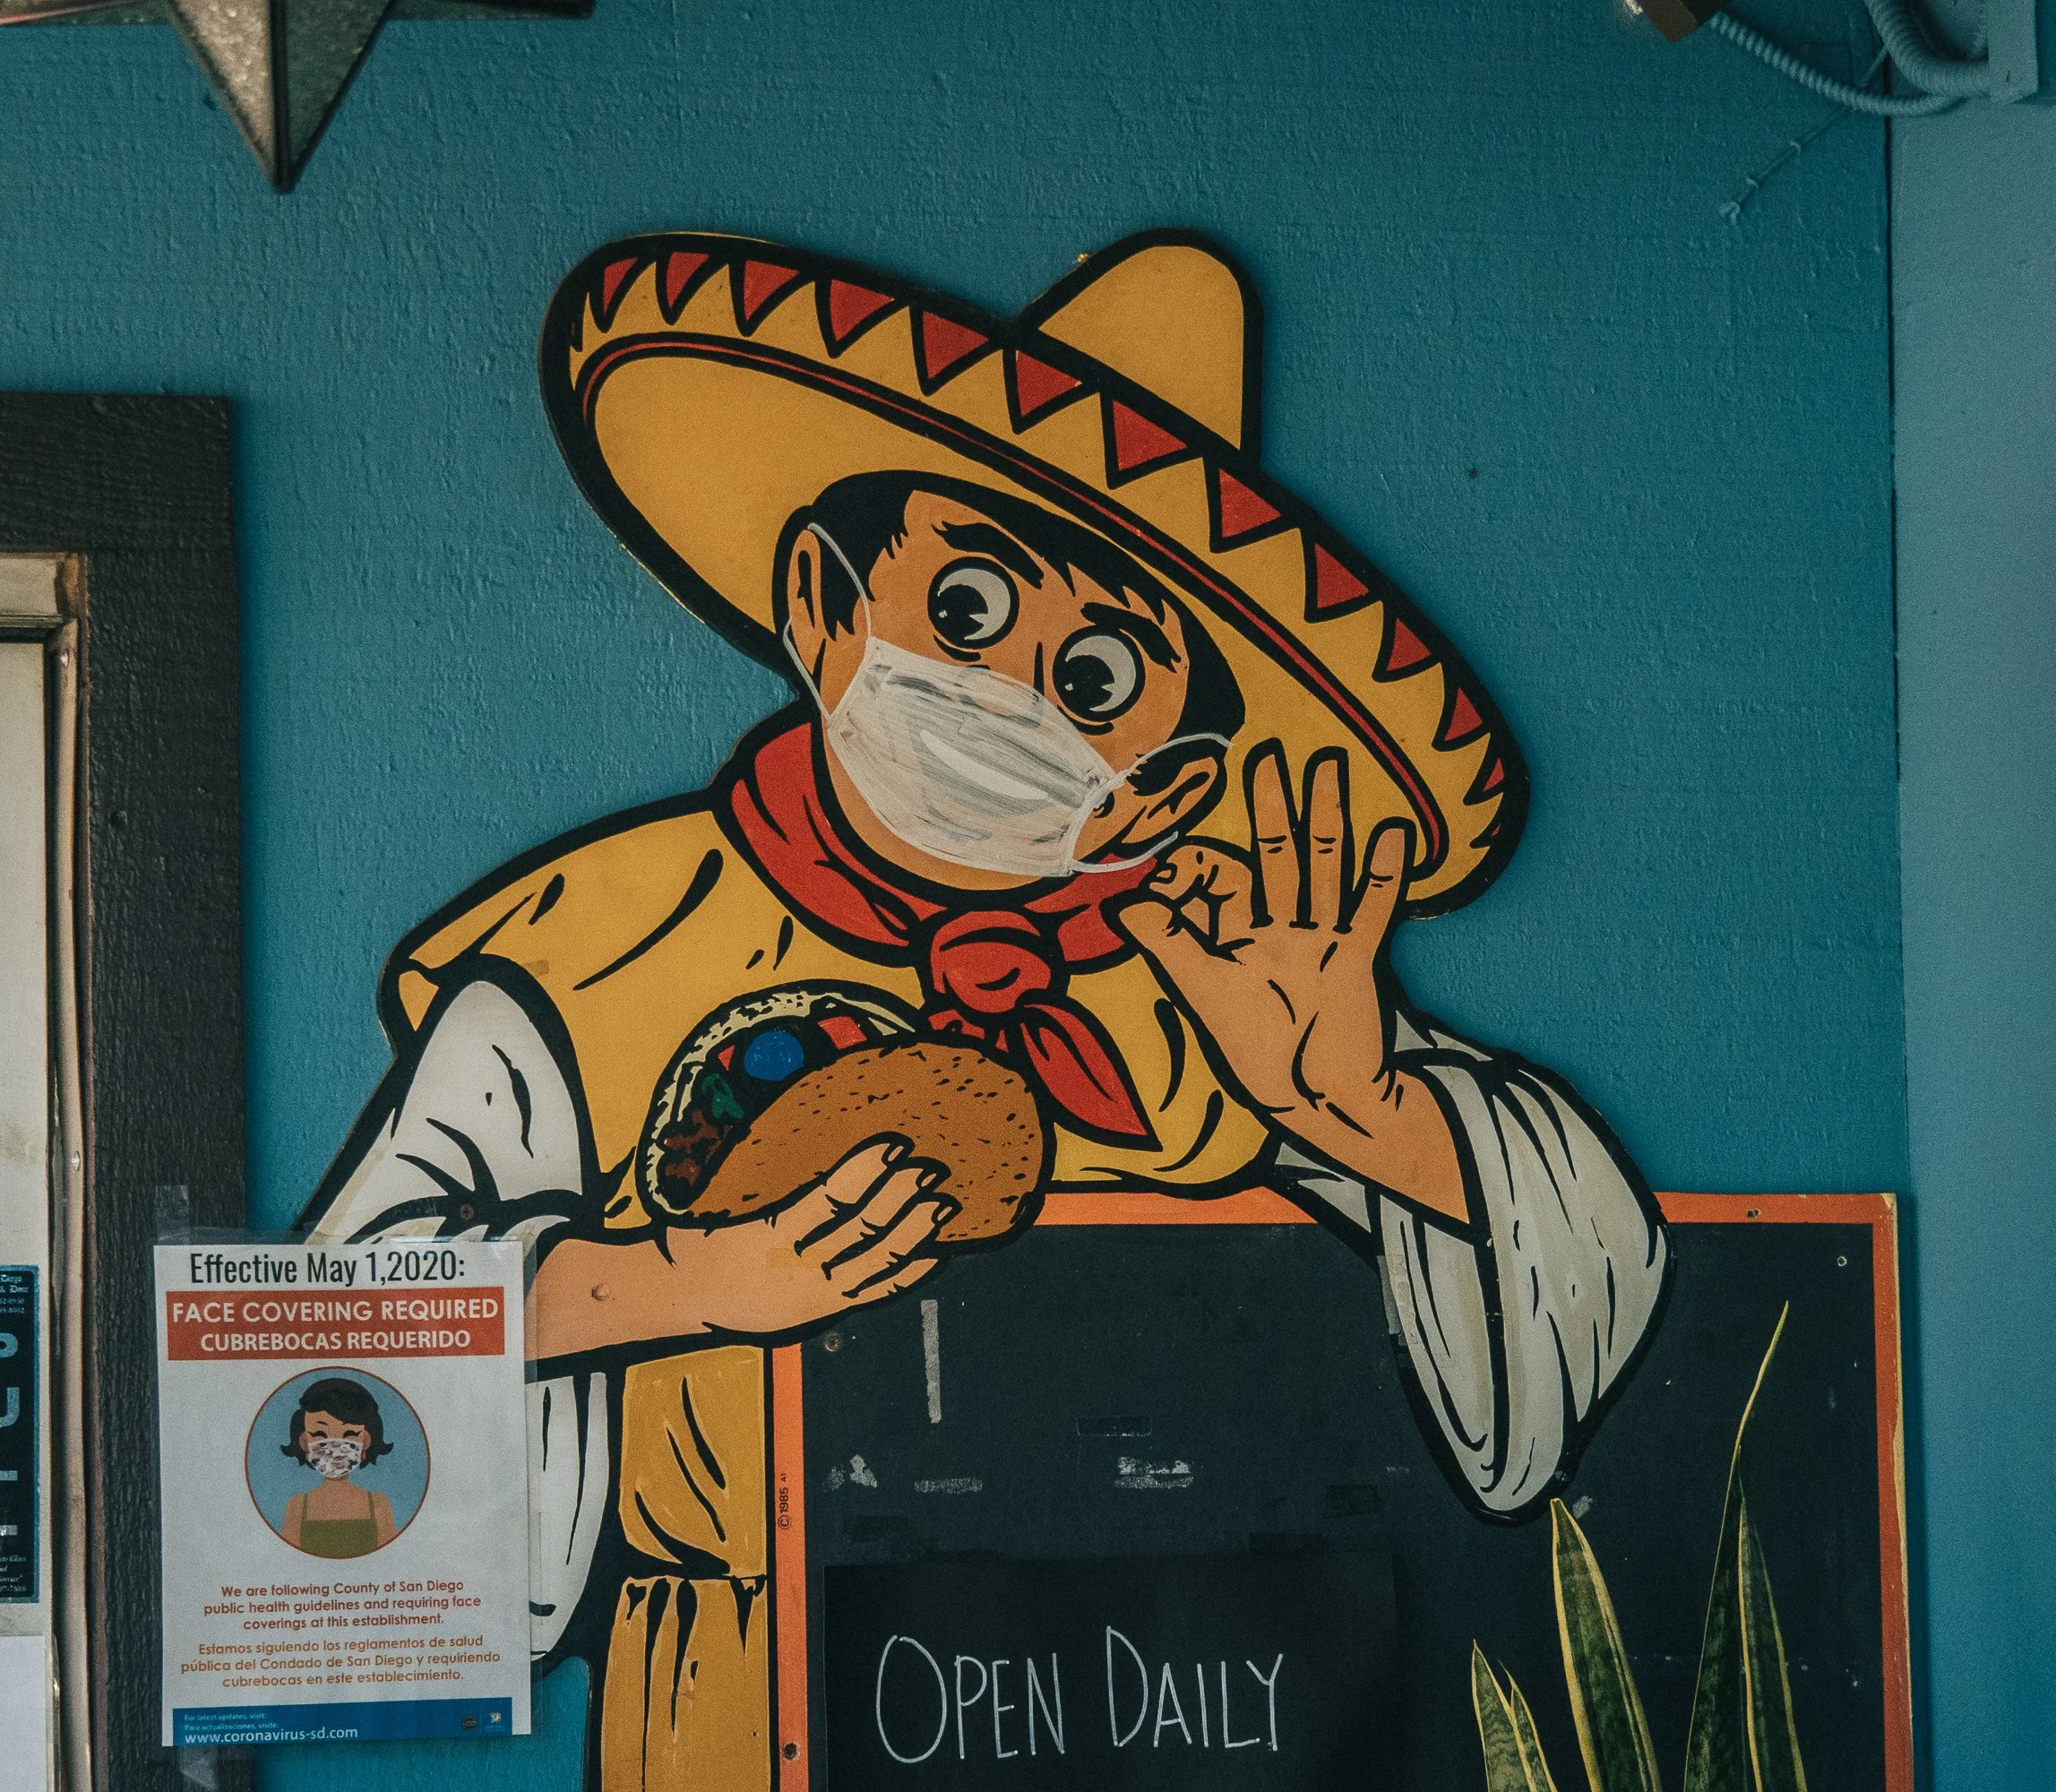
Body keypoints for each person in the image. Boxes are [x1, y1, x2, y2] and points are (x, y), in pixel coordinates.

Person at [297, 231, 1668, 1789]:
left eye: (1094, 677)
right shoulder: (586, 950)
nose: (1016, 688)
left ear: (1177, 783)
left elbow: (1587, 1257)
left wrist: (1355, 1111)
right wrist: (684, 1280)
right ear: (820, 603)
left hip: (1167, 1693)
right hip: (745, 1705)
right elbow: (326, 1353)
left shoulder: (1218, 969)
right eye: (965, 605)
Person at [276, 1376, 400, 1561]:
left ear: (365, 1440)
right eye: (319, 1434)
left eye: (349, 1434)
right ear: (304, 1442)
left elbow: (392, 1562)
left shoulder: (379, 1504)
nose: (334, 1446)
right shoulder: (296, 1506)